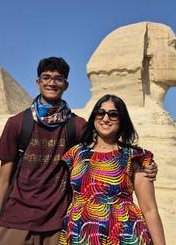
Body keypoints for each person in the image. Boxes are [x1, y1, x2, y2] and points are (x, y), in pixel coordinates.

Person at [0, 58, 158, 245]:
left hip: (56, 223)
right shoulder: (17, 123)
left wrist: (145, 164)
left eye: (58, 79)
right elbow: (3, 181)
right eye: (46, 77)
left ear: (65, 85)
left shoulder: (76, 126)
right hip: (16, 220)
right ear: (38, 82)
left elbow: (107, 151)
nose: (51, 83)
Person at [59, 94, 166, 245]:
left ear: (122, 120)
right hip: (79, 235)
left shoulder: (135, 157)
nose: (106, 118)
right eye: (100, 113)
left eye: (113, 114)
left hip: (123, 236)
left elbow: (149, 209)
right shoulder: (75, 154)